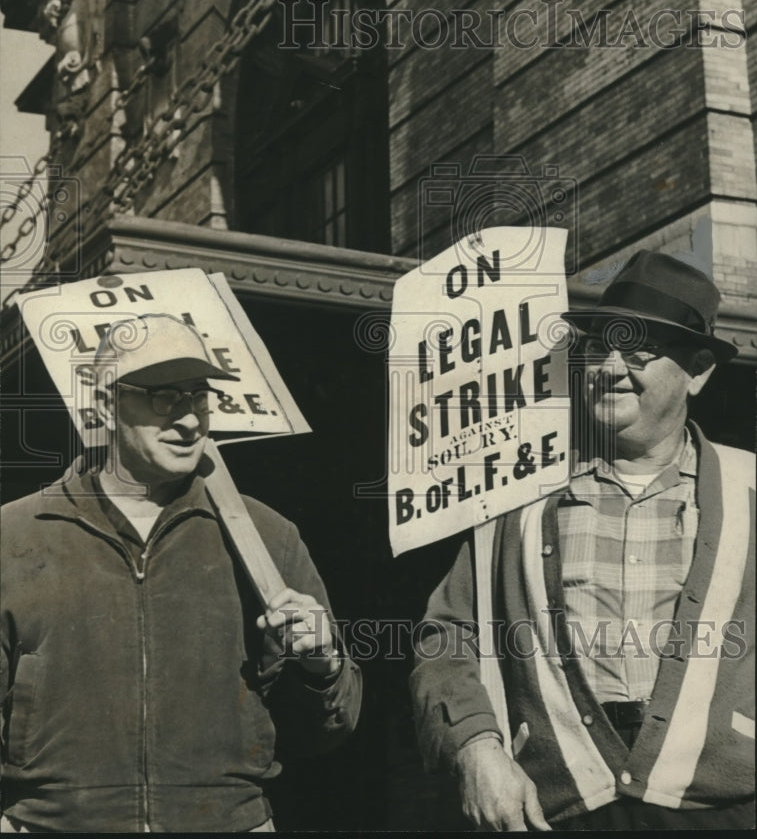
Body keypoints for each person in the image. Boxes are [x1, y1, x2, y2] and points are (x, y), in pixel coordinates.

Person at [409, 250, 754, 831]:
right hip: (561, 811)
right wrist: (476, 747)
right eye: (598, 347)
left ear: (698, 370)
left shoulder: (749, 487)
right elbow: (445, 635)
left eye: (640, 346)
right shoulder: (516, 497)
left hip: (727, 811)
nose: (611, 367)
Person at [1, 314, 362, 833]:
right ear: (105, 404)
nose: (190, 420)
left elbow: (321, 734)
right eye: (163, 397)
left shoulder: (268, 538)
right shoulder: (16, 534)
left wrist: (322, 670)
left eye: (197, 395)